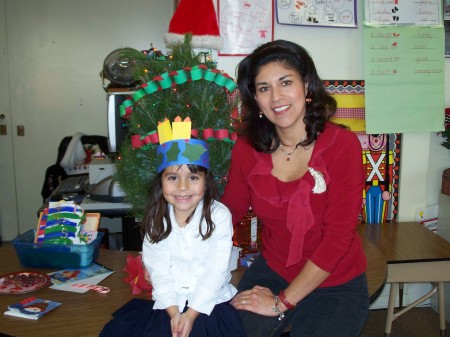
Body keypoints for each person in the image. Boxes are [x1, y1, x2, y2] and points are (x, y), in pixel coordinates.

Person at [221, 40, 369, 337]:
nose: (276, 97)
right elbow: (230, 210)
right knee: (228, 331)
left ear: (307, 87)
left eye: (285, 82)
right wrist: (179, 242)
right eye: (264, 88)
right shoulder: (248, 147)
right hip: (275, 268)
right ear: (256, 99)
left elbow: (337, 238)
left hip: (335, 279)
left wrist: (281, 302)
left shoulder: (342, 146)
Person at [100, 118, 245, 337]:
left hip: (209, 305)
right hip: (170, 305)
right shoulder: (156, 217)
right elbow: (158, 268)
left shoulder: (219, 215)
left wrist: (190, 315)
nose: (183, 187)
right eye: (173, 177)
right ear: (161, 182)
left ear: (206, 182)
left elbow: (217, 270)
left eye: (193, 177)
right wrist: (174, 312)